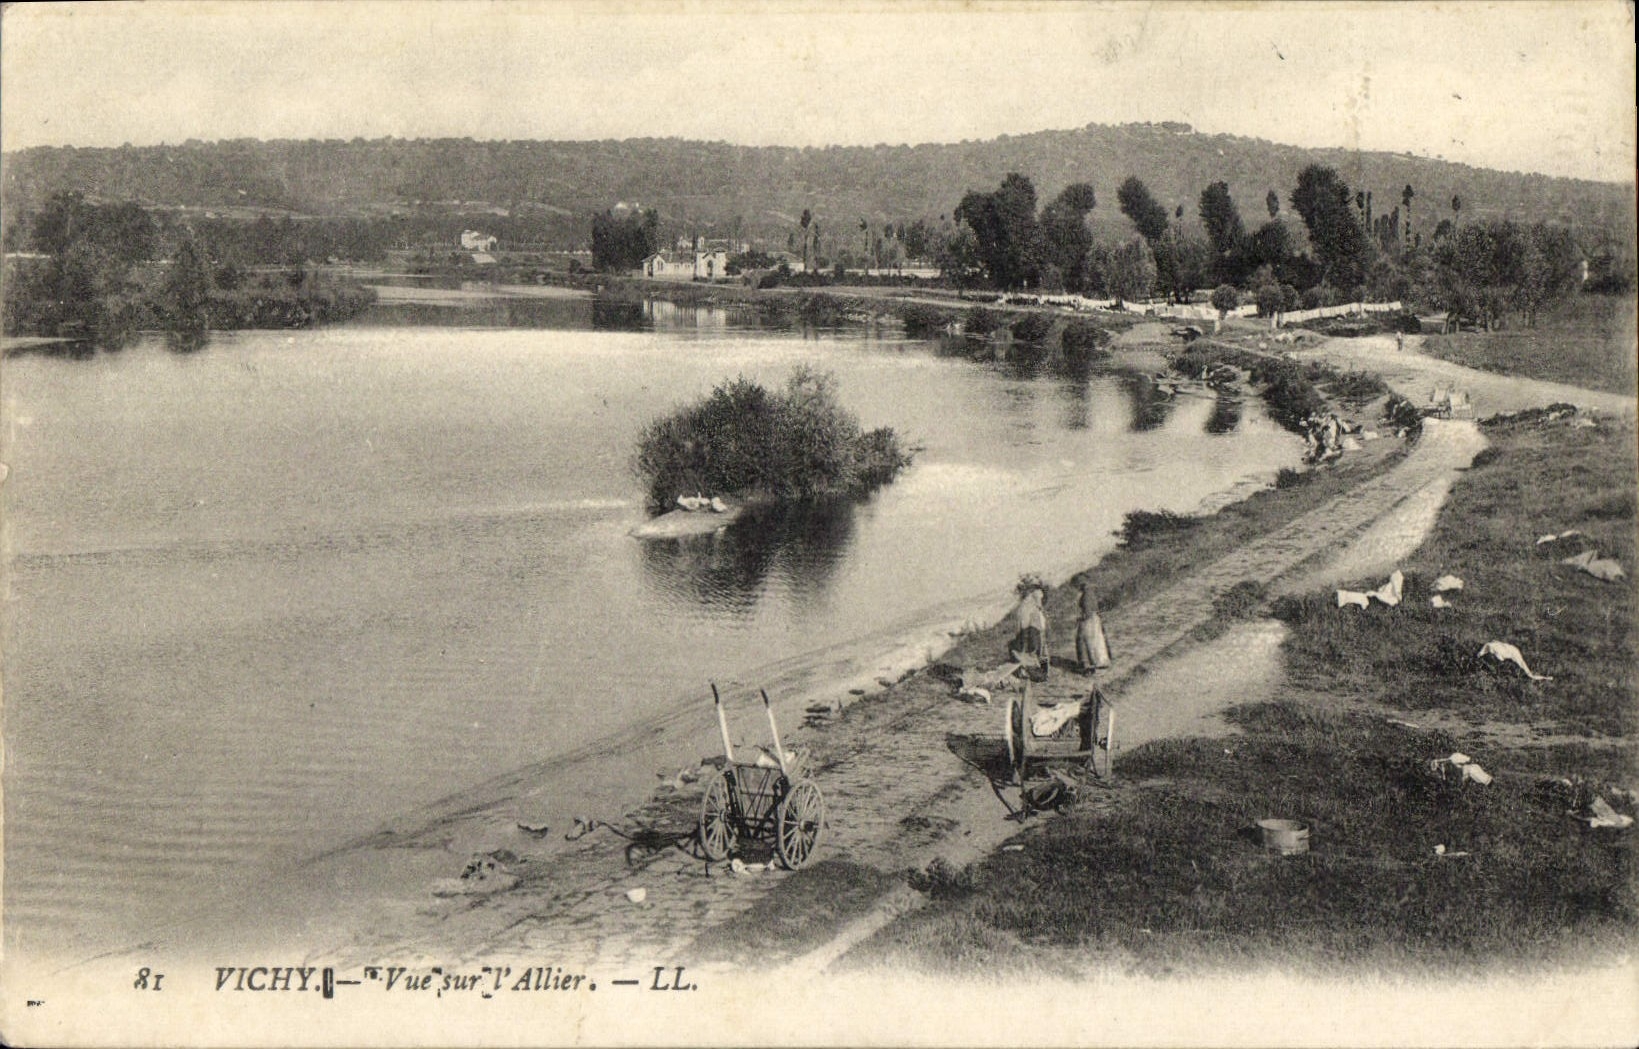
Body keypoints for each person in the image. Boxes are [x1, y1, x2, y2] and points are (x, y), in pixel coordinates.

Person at [1074, 575, 1113, 674]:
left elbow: (1087, 611)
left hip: (1090, 620)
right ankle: (1099, 661)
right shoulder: (1090, 593)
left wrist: (1080, 618)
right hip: (1093, 619)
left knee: (1090, 640)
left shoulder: (1086, 594)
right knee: (1096, 639)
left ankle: (1094, 663)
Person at [1010, 587, 1046, 663]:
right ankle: (1029, 653)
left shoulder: (1035, 594)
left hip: (1031, 623)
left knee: (1032, 634)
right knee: (1030, 634)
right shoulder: (1029, 601)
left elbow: (1039, 606)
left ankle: (1031, 654)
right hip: (1030, 622)